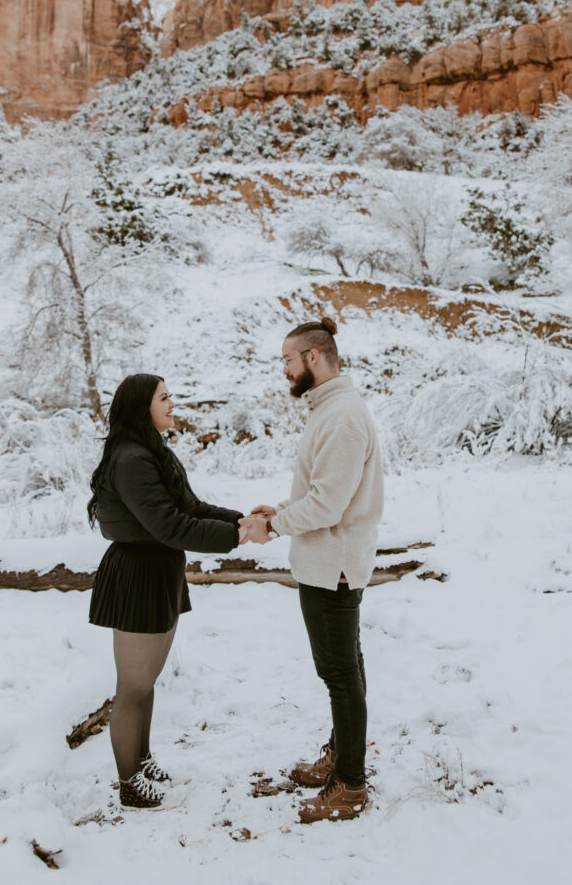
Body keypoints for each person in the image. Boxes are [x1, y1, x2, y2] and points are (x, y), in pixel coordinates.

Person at [239, 316, 384, 824]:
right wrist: (276, 509)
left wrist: (274, 526)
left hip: (333, 565)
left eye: (286, 359)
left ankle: (349, 784)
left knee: (340, 673)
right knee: (346, 667)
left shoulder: (341, 417)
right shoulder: (330, 411)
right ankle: (342, 757)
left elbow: (327, 504)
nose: (283, 369)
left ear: (313, 358)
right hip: (329, 562)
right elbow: (317, 491)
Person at [87, 373, 244, 809]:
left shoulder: (156, 452)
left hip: (160, 569)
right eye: (165, 397)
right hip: (138, 572)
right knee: (133, 686)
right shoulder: (131, 460)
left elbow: (190, 508)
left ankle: (141, 758)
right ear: (143, 407)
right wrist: (240, 538)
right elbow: (170, 525)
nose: (173, 404)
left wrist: (241, 521)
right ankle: (129, 783)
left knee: (147, 681)